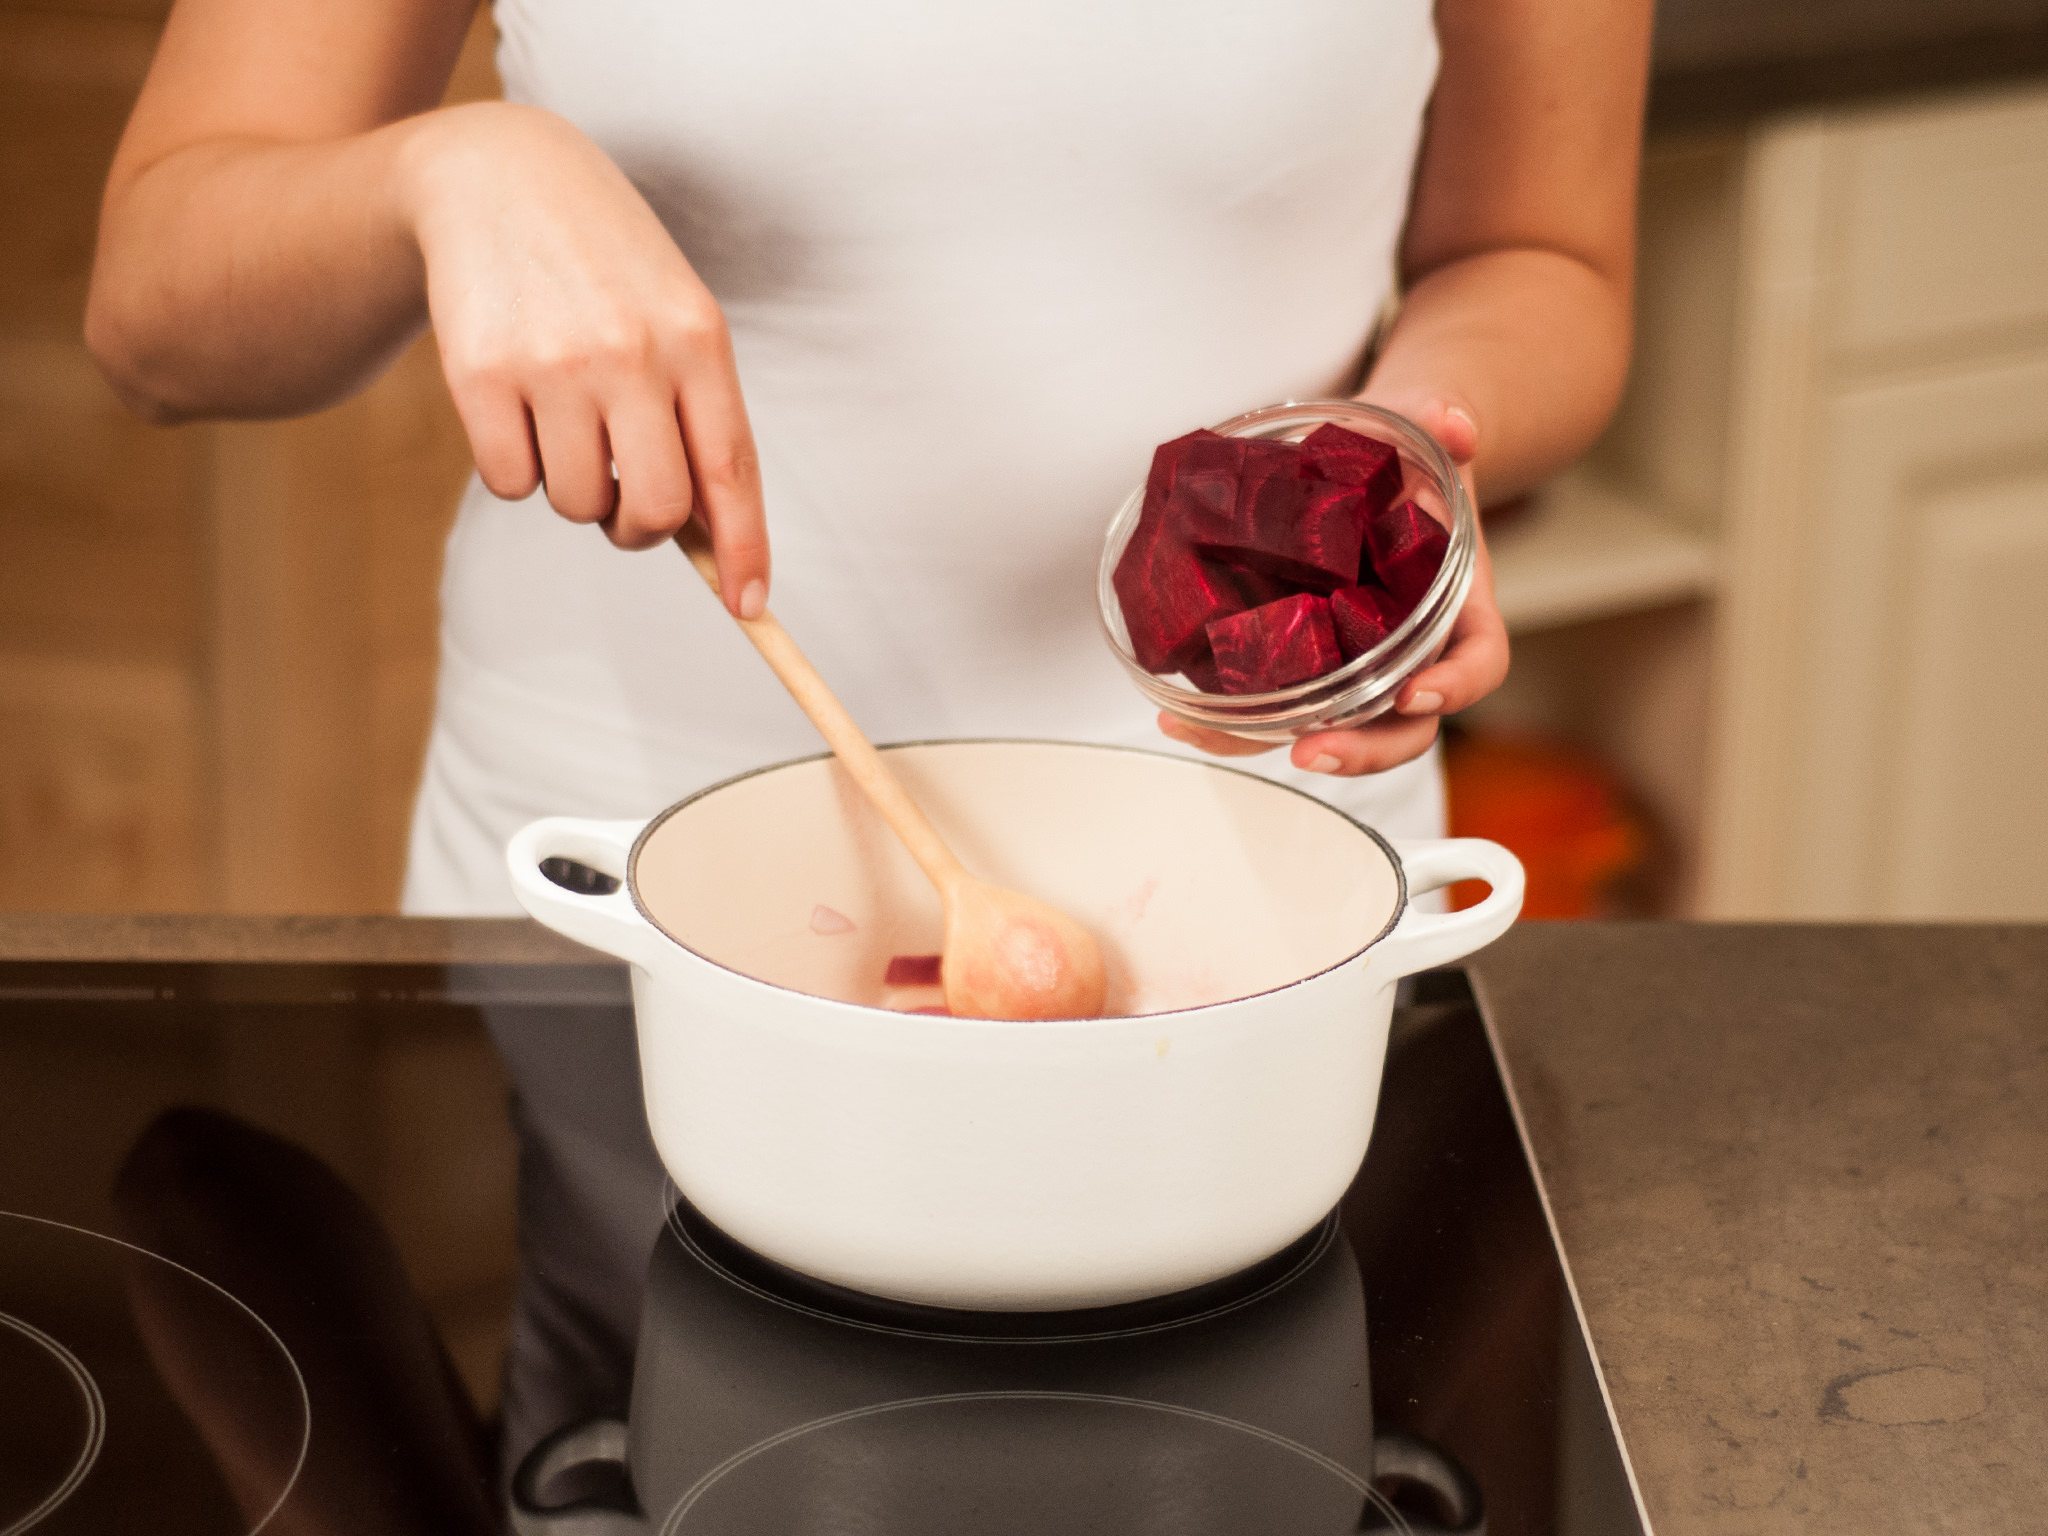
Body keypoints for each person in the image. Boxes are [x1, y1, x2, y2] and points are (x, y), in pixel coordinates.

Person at [88, 0, 1651, 1485]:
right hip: (609, 930)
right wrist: (448, 171)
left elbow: (1543, 255)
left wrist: (1401, 475)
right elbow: (154, 314)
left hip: (1274, 912)